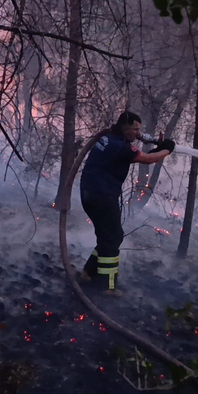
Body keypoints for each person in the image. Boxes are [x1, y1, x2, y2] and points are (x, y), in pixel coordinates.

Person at [80, 111, 175, 294]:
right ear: (125, 126)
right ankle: (106, 287)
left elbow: (137, 157)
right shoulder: (120, 146)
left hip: (90, 194)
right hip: (102, 196)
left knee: (111, 236)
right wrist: (167, 149)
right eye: (135, 129)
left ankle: (89, 273)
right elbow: (146, 159)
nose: (138, 133)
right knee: (112, 238)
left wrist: (158, 149)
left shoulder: (109, 138)